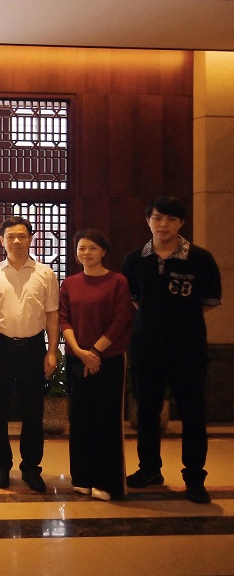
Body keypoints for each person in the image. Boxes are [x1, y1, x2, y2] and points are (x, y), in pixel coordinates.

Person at [122, 196, 222, 504]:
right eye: (157, 218)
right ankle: (149, 469)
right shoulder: (135, 259)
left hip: (188, 349)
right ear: (148, 220)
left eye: (170, 219)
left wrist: (178, 323)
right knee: (147, 412)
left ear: (181, 223)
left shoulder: (200, 258)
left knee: (193, 414)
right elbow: (133, 298)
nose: (163, 224)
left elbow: (209, 301)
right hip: (146, 348)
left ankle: (194, 477)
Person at [0, 216, 59, 493]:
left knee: (33, 410)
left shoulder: (45, 273)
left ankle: (31, 467)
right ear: (2, 241)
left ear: (30, 239)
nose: (16, 241)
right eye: (10, 236)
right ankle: (1, 465)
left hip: (33, 348)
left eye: (22, 236)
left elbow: (52, 315)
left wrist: (52, 351)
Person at [60, 228, 133, 501]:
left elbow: (121, 319)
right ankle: (82, 478)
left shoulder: (118, 282)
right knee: (80, 418)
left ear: (103, 251)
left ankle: (107, 482)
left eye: (92, 248)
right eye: (81, 248)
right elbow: (64, 319)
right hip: (77, 357)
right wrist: (81, 352)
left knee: (107, 419)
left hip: (109, 358)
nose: (86, 253)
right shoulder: (69, 283)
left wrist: (94, 352)